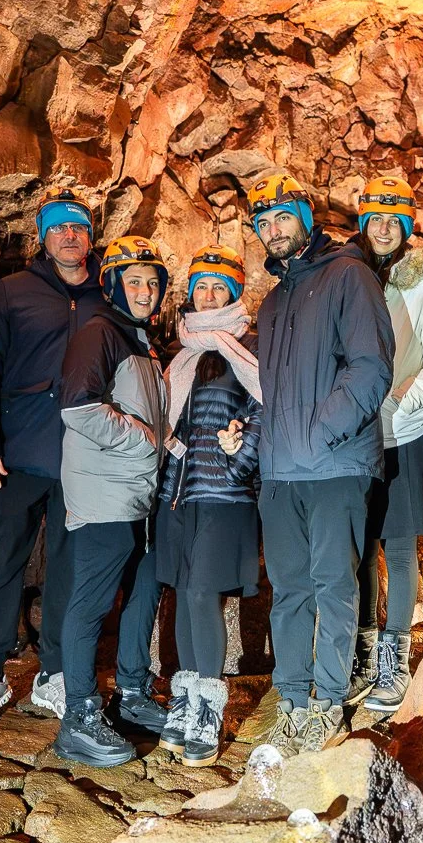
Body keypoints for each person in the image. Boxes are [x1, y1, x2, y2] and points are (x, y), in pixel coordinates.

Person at [247, 173, 393, 754]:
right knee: (287, 589)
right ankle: (291, 694)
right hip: (281, 473)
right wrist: (260, 440)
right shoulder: (275, 300)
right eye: (264, 222)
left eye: (283, 217)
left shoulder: (349, 276)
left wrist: (317, 434)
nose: (273, 230)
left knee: (334, 584)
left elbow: (370, 369)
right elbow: (273, 391)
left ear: (305, 219)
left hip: (336, 466)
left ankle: (329, 698)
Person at [0, 189, 103, 730]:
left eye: (79, 228)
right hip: (15, 455)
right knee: (1, 565)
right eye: (59, 228)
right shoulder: (12, 293)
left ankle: (56, 673)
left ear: (90, 237)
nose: (69, 236)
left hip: (81, 459)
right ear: (42, 237)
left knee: (69, 566)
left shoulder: (104, 295)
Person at [49, 236, 172, 767]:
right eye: (134, 281)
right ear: (113, 284)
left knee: (143, 592)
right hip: (103, 495)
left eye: (152, 282)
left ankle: (132, 693)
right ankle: (78, 715)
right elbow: (79, 410)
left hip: (137, 495)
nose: (144, 291)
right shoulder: (99, 333)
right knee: (93, 603)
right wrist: (143, 439)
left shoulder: (140, 340)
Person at [346, 176, 423, 713]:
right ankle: (362, 650)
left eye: (395, 219)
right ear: (364, 223)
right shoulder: (349, 275)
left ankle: (395, 655)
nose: (385, 228)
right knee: (360, 545)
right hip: (355, 434)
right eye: (377, 218)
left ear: (408, 226)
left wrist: (403, 402)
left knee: (397, 542)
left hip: (402, 429)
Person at [154, 246, 263, 767]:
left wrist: (242, 455)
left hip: (225, 494)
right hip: (179, 495)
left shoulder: (248, 350)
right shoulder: (182, 356)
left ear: (235, 294)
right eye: (203, 286)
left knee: (202, 593)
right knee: (182, 593)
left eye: (220, 287)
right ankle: (183, 699)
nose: (210, 295)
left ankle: (209, 708)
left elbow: (265, 410)